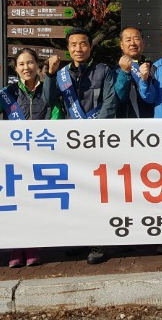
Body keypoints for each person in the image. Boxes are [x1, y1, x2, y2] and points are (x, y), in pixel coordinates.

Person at [0, 48, 62, 268]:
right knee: (16, 202)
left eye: (30, 62)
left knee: (35, 202)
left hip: (41, 152)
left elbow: (56, 114)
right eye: (22, 64)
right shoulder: (9, 92)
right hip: (16, 155)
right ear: (15, 68)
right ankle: (16, 247)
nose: (27, 68)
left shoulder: (47, 89)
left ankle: (32, 246)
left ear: (37, 64)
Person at [50, 27, 116, 264]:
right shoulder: (61, 74)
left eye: (83, 43)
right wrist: (50, 75)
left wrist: (95, 132)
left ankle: (99, 242)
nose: (78, 48)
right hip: (72, 142)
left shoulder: (103, 70)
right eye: (73, 44)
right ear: (68, 48)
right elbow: (49, 100)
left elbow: (110, 102)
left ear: (90, 46)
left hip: (97, 140)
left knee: (98, 192)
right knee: (76, 191)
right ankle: (80, 237)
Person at [115, 26, 155, 118]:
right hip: (126, 123)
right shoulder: (115, 71)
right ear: (121, 45)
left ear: (143, 43)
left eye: (136, 39)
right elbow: (119, 97)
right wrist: (124, 72)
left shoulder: (154, 68)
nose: (132, 43)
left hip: (152, 122)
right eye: (128, 40)